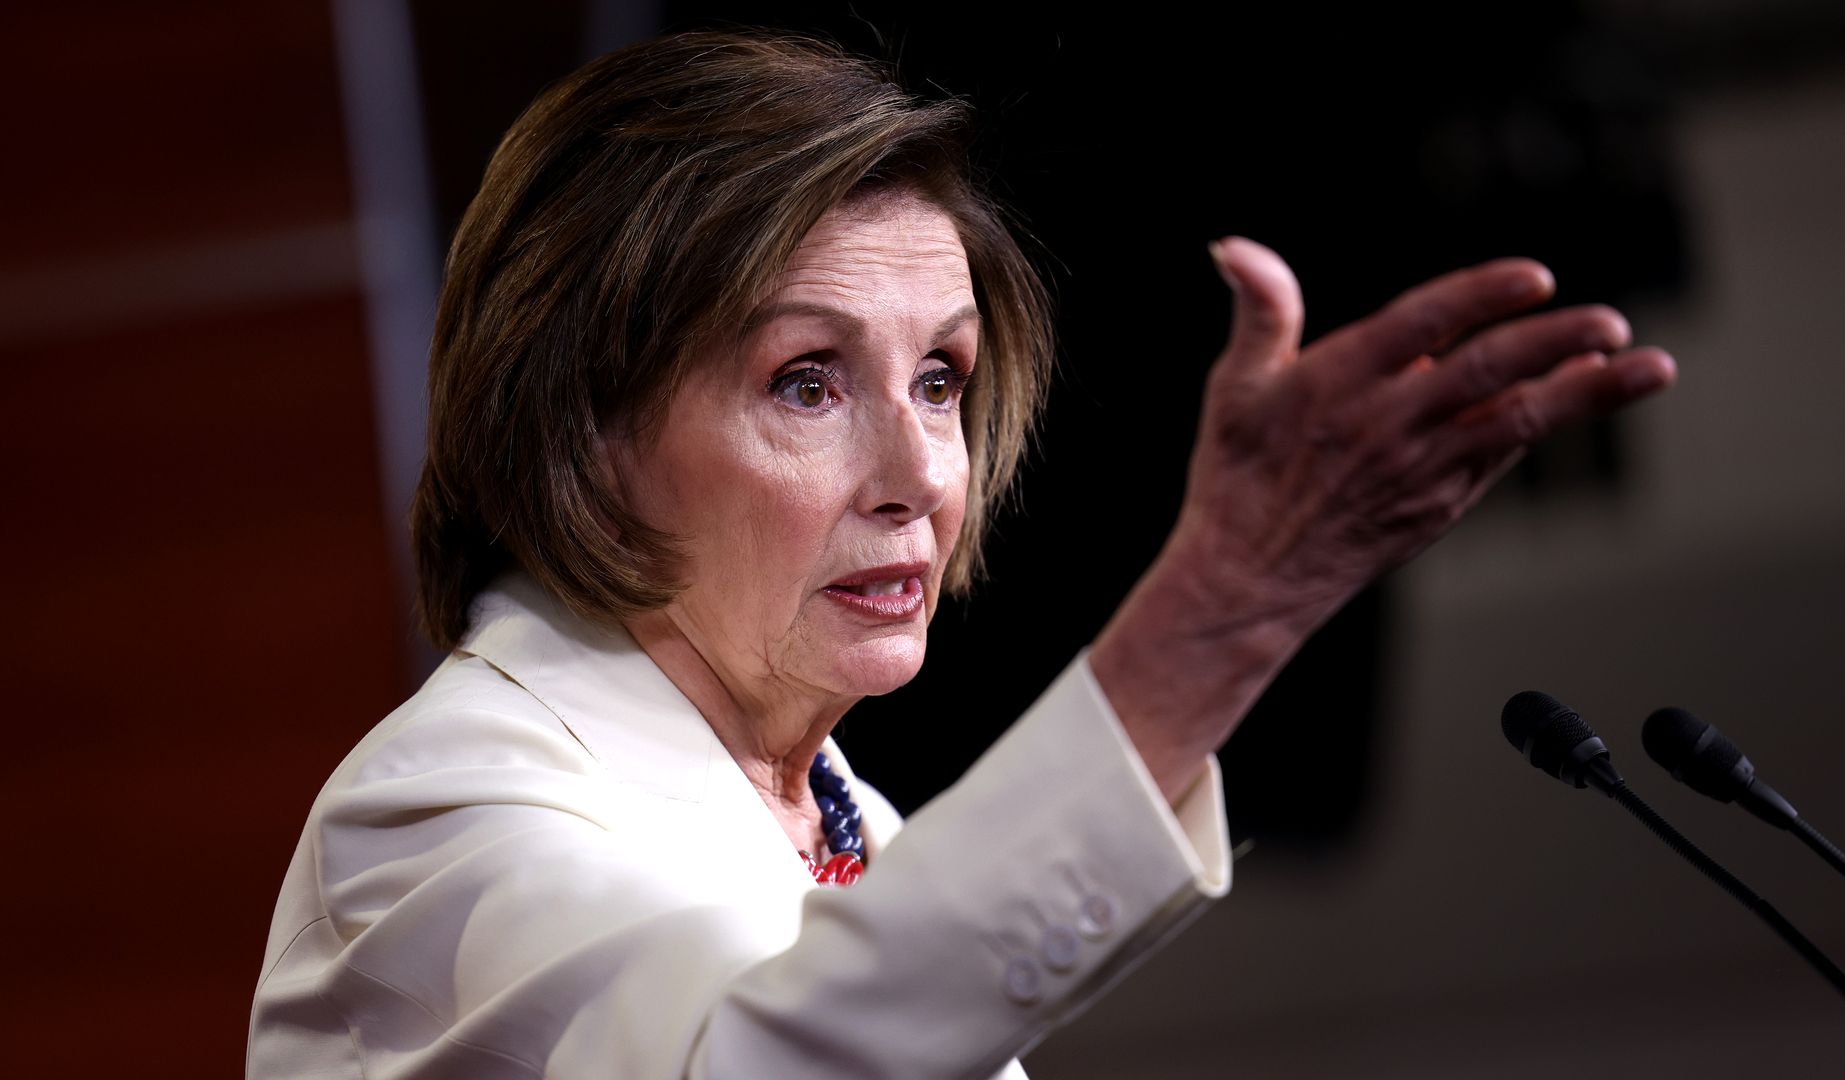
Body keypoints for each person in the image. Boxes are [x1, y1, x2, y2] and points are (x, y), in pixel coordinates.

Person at [246, 28, 1675, 1079]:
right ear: (584, 431)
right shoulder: (437, 818)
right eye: (807, 380)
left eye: (941, 377)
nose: (926, 473)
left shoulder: (859, 832)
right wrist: (1227, 608)